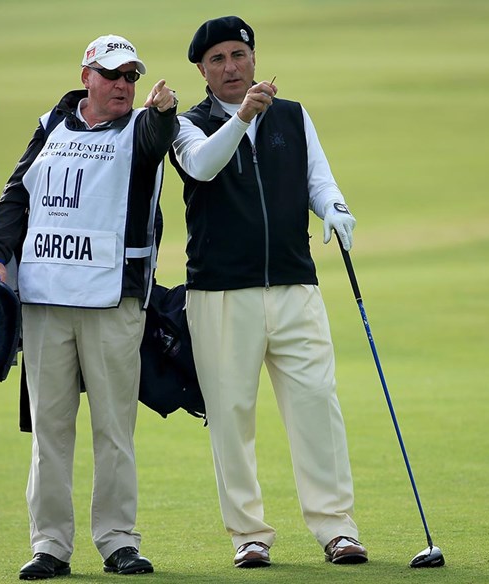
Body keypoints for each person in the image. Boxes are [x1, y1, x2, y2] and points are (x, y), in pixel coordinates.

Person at [168, 16, 369, 568]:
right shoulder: (186, 126)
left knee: (316, 405)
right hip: (220, 293)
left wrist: (336, 208)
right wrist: (242, 118)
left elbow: (317, 178)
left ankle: (337, 529)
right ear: (203, 72)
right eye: (217, 60)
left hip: (294, 284)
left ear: (254, 58)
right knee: (231, 416)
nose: (231, 67)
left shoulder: (293, 116)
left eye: (238, 54)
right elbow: (204, 168)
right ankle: (248, 535)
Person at [0, 33, 178, 579]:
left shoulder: (144, 127)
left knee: (115, 428)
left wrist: (165, 111)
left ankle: (118, 540)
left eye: (131, 77)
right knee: (50, 429)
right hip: (46, 300)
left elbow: (159, 139)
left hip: (114, 300)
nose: (123, 85)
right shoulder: (51, 125)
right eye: (113, 74)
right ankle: (50, 545)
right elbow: (17, 194)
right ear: (86, 75)